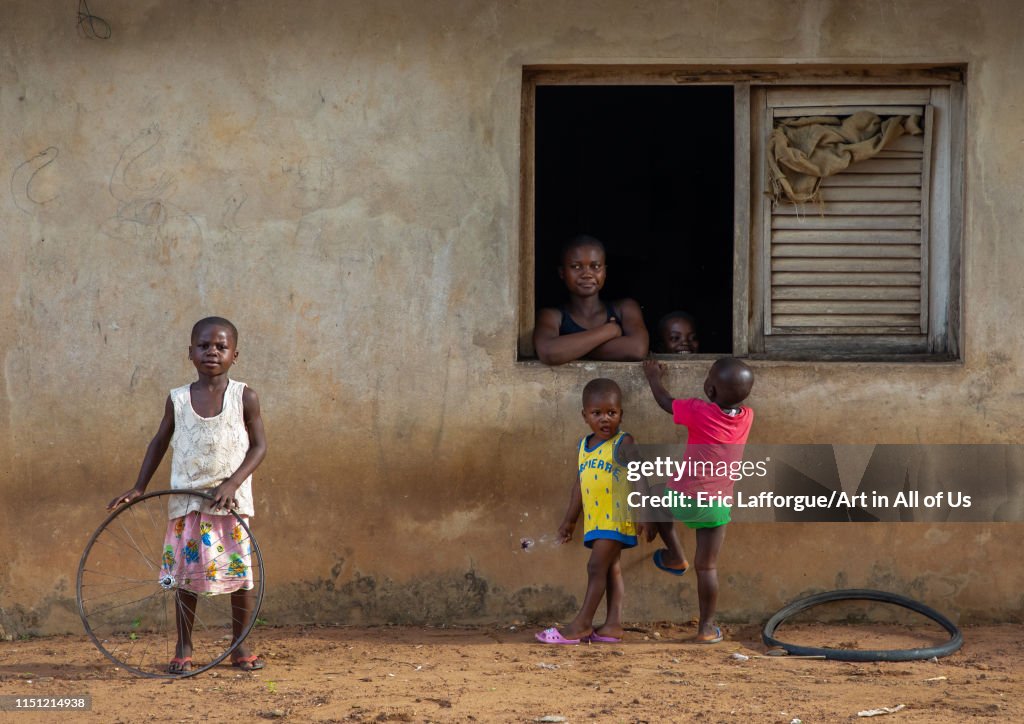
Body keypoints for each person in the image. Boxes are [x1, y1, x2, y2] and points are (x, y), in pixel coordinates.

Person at [107, 317, 268, 673]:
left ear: (234, 355)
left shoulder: (245, 397)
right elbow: (159, 442)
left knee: (240, 576)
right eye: (204, 345)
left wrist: (232, 483)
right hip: (186, 503)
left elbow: (259, 447)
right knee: (185, 577)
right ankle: (183, 645)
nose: (212, 352)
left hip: (229, 504)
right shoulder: (178, 399)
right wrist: (139, 486)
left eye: (221, 346)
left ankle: (241, 646)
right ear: (190, 353)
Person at [642, 357, 754, 644]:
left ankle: (674, 555)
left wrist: (653, 377)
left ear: (710, 390)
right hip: (716, 506)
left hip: (683, 496)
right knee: (707, 567)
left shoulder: (697, 411)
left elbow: (666, 402)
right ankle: (706, 628)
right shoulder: (747, 417)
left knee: (655, 495)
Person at [535, 379, 638, 644]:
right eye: (597, 414)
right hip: (596, 520)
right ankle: (613, 624)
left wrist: (646, 513)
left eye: (611, 413)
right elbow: (580, 485)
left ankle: (581, 624)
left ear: (621, 415)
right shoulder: (584, 446)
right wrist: (570, 521)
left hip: (616, 518)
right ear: (585, 416)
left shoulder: (623, 442)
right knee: (611, 567)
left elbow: (641, 477)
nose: (605, 419)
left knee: (595, 567)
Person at [533, 235, 649, 365]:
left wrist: (570, 350)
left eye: (596, 266)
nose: (587, 274)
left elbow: (637, 349)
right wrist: (609, 331)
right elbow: (549, 353)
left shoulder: (625, 308)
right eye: (576, 267)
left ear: (605, 271)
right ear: (562, 272)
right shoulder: (551, 316)